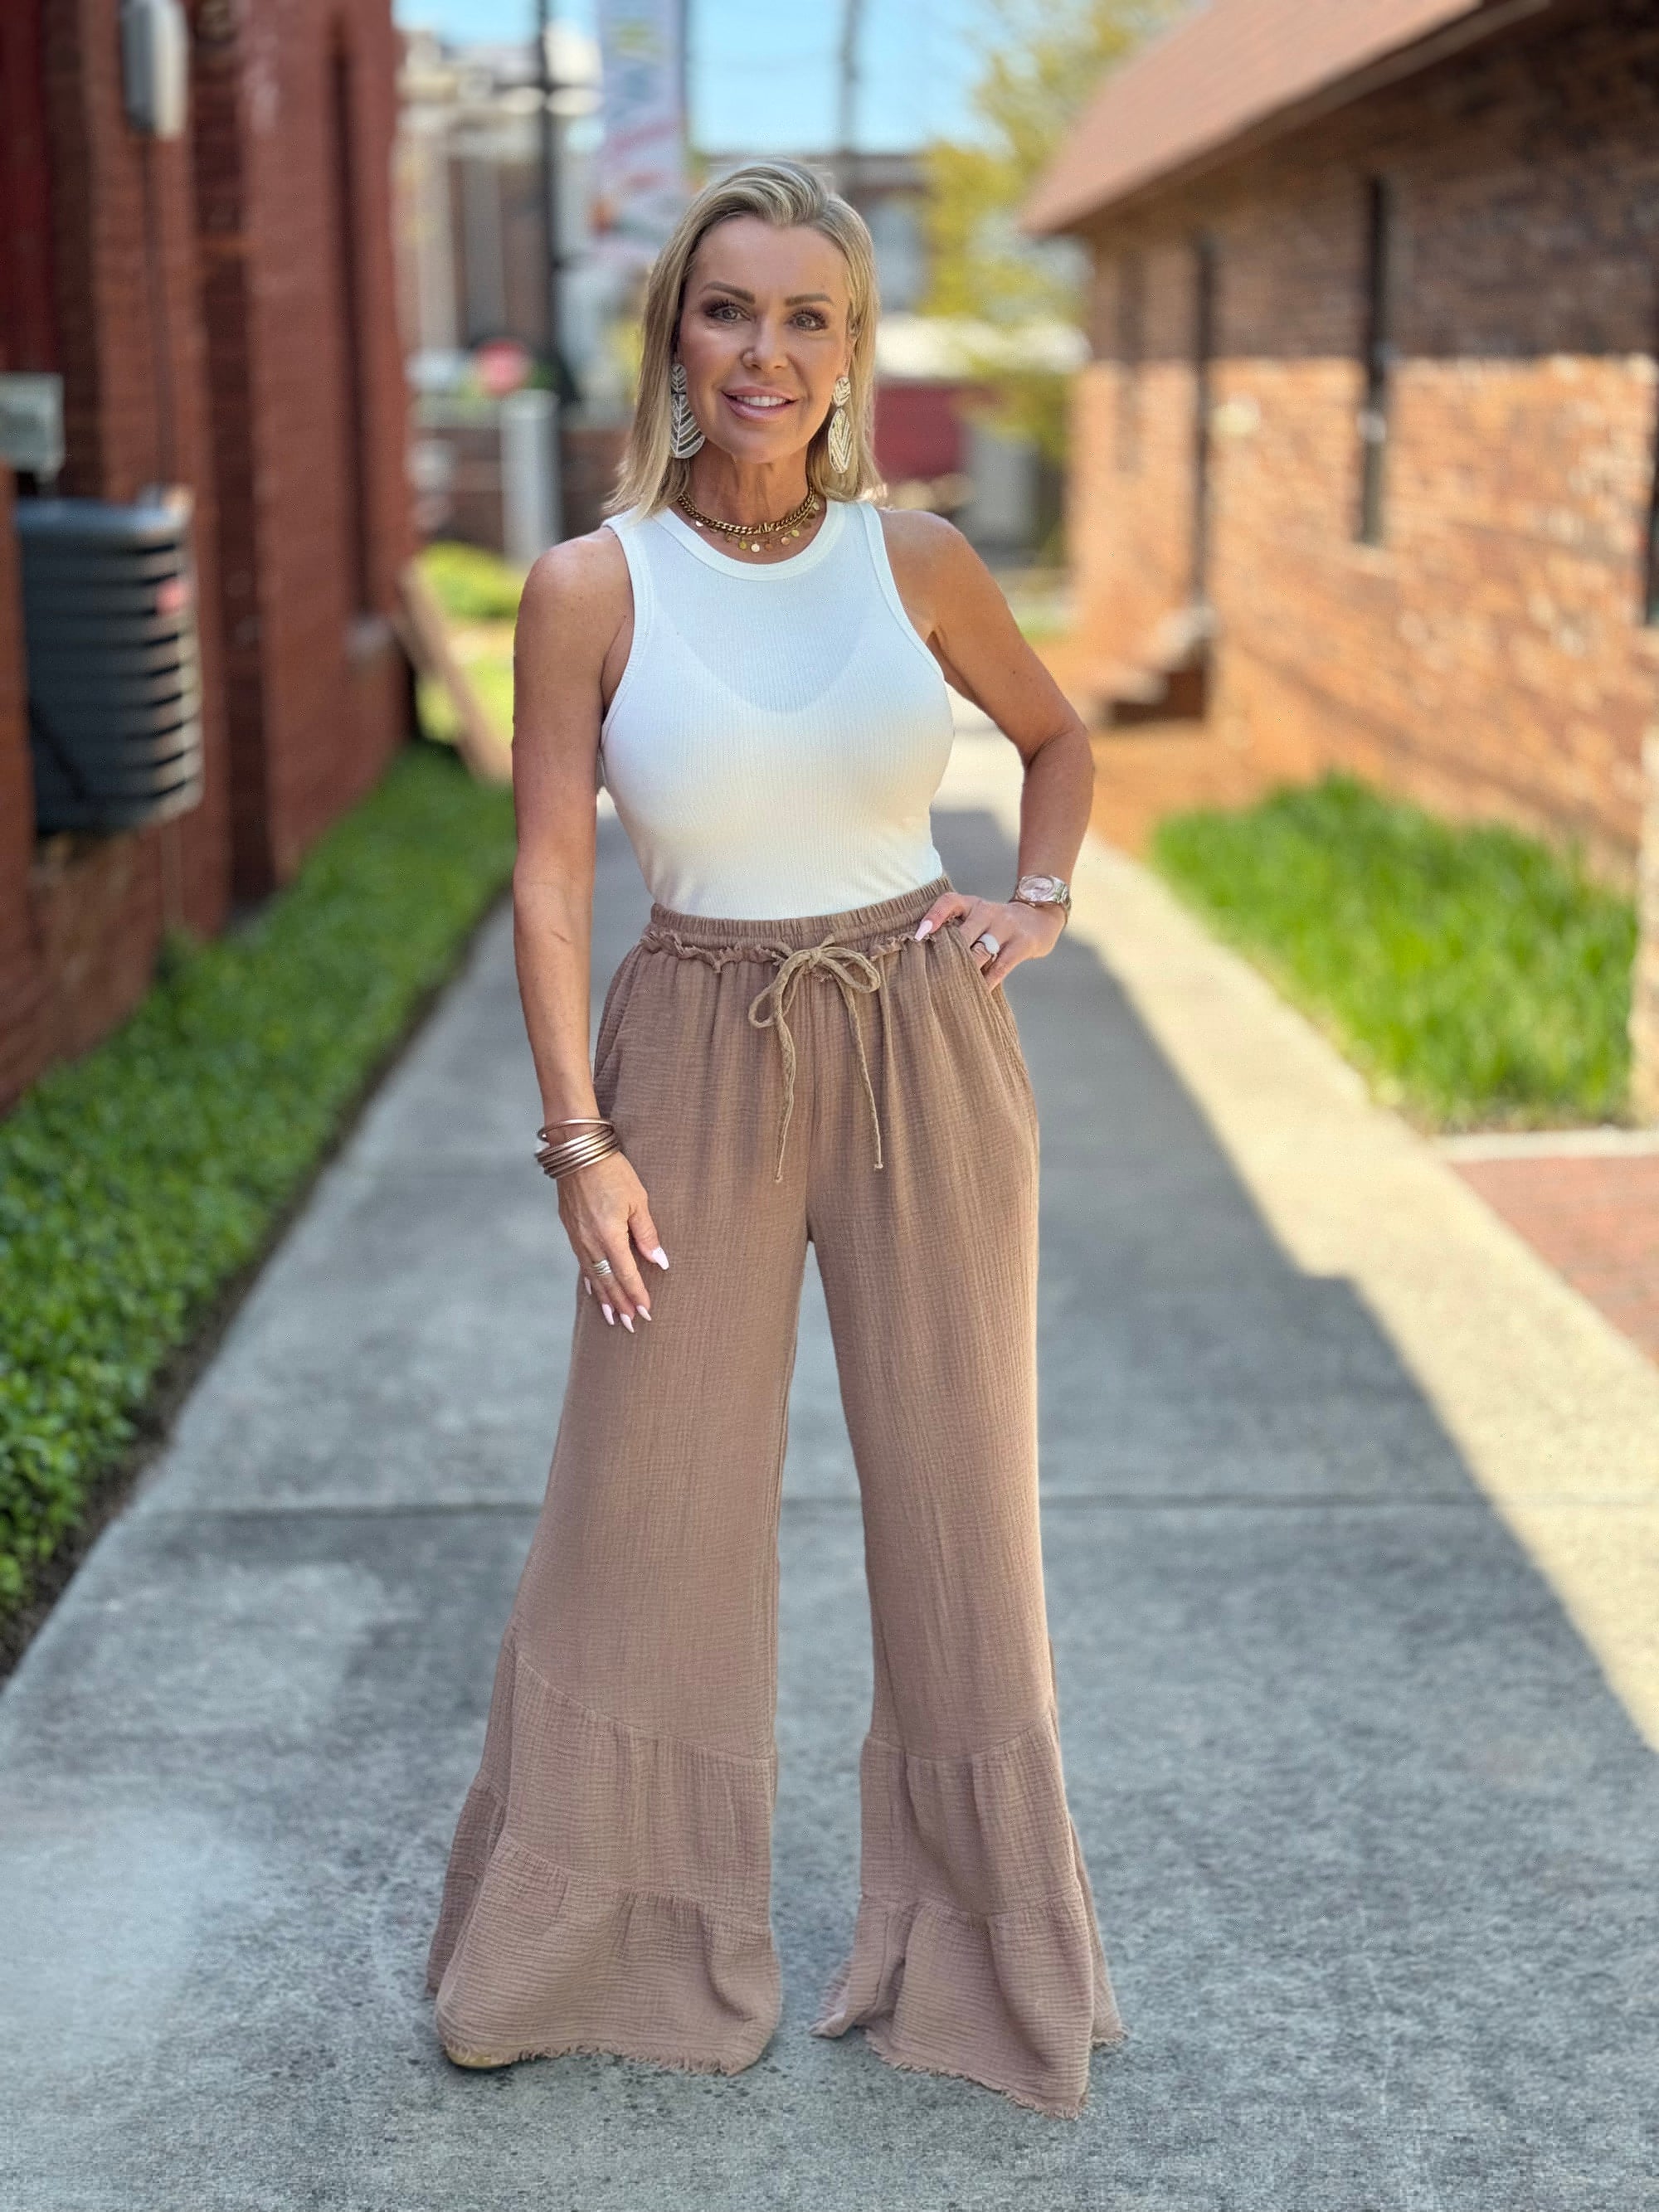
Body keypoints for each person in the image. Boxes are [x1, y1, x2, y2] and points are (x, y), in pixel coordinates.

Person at [426, 158, 1125, 2121]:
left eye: (809, 316)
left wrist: (1040, 897)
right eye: (731, 308)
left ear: (851, 350)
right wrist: (581, 1141)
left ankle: (985, 1957)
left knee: (957, 1507)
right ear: (673, 333)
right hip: (691, 1052)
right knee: (644, 1512)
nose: (768, 351)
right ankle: (598, 1943)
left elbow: (1056, 739)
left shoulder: (915, 564)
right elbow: (552, 881)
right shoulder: (588, 587)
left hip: (921, 1040)